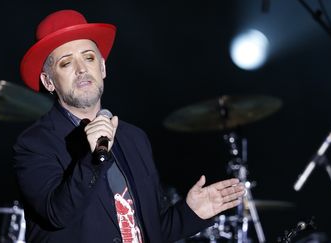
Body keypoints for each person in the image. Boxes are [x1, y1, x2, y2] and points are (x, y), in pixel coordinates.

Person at [13, 9, 245, 243]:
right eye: (66, 63)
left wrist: (191, 213)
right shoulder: (35, 143)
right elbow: (57, 214)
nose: (82, 69)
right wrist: (93, 158)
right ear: (48, 81)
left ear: (102, 68)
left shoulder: (134, 138)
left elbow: (152, 230)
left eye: (89, 57)